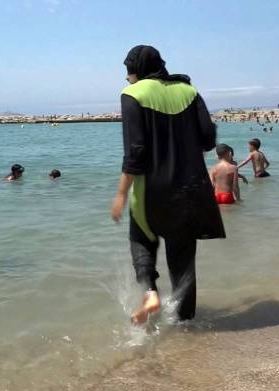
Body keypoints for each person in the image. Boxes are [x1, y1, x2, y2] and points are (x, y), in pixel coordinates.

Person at [111, 45, 225, 326]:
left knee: (141, 239)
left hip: (151, 189)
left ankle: (150, 292)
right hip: (191, 189)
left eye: (128, 73)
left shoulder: (132, 94)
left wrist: (122, 193)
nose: (127, 79)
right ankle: (186, 325)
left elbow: (135, 152)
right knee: (183, 260)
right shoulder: (188, 91)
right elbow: (209, 139)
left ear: (134, 71)